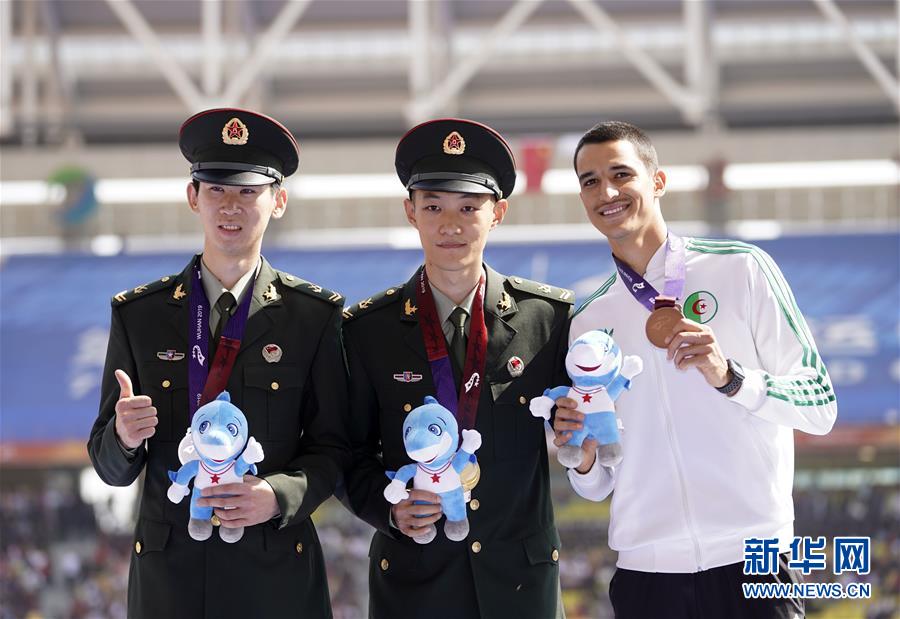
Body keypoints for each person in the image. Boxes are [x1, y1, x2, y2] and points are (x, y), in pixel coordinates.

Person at [554, 120, 837, 618]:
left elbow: (820, 405)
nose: (607, 192)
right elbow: (596, 485)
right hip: (646, 573)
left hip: (756, 558)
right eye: (590, 181)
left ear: (658, 181)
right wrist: (581, 456)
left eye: (621, 174)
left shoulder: (742, 268)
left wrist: (732, 378)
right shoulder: (588, 320)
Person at [87, 108, 350, 619]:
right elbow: (109, 467)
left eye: (248, 192)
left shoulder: (313, 316)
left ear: (278, 201)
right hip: (171, 582)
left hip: (276, 577)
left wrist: (277, 494)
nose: (231, 206)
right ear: (193, 197)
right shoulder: (140, 316)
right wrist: (122, 437)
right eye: (216, 190)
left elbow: (335, 448)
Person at [342, 118, 573, 618]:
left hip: (521, 588)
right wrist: (389, 508)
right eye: (433, 207)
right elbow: (345, 450)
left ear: (498, 213)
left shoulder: (547, 318)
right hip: (414, 584)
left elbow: (578, 437)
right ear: (410, 212)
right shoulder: (367, 329)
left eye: (469, 207)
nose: (450, 224)